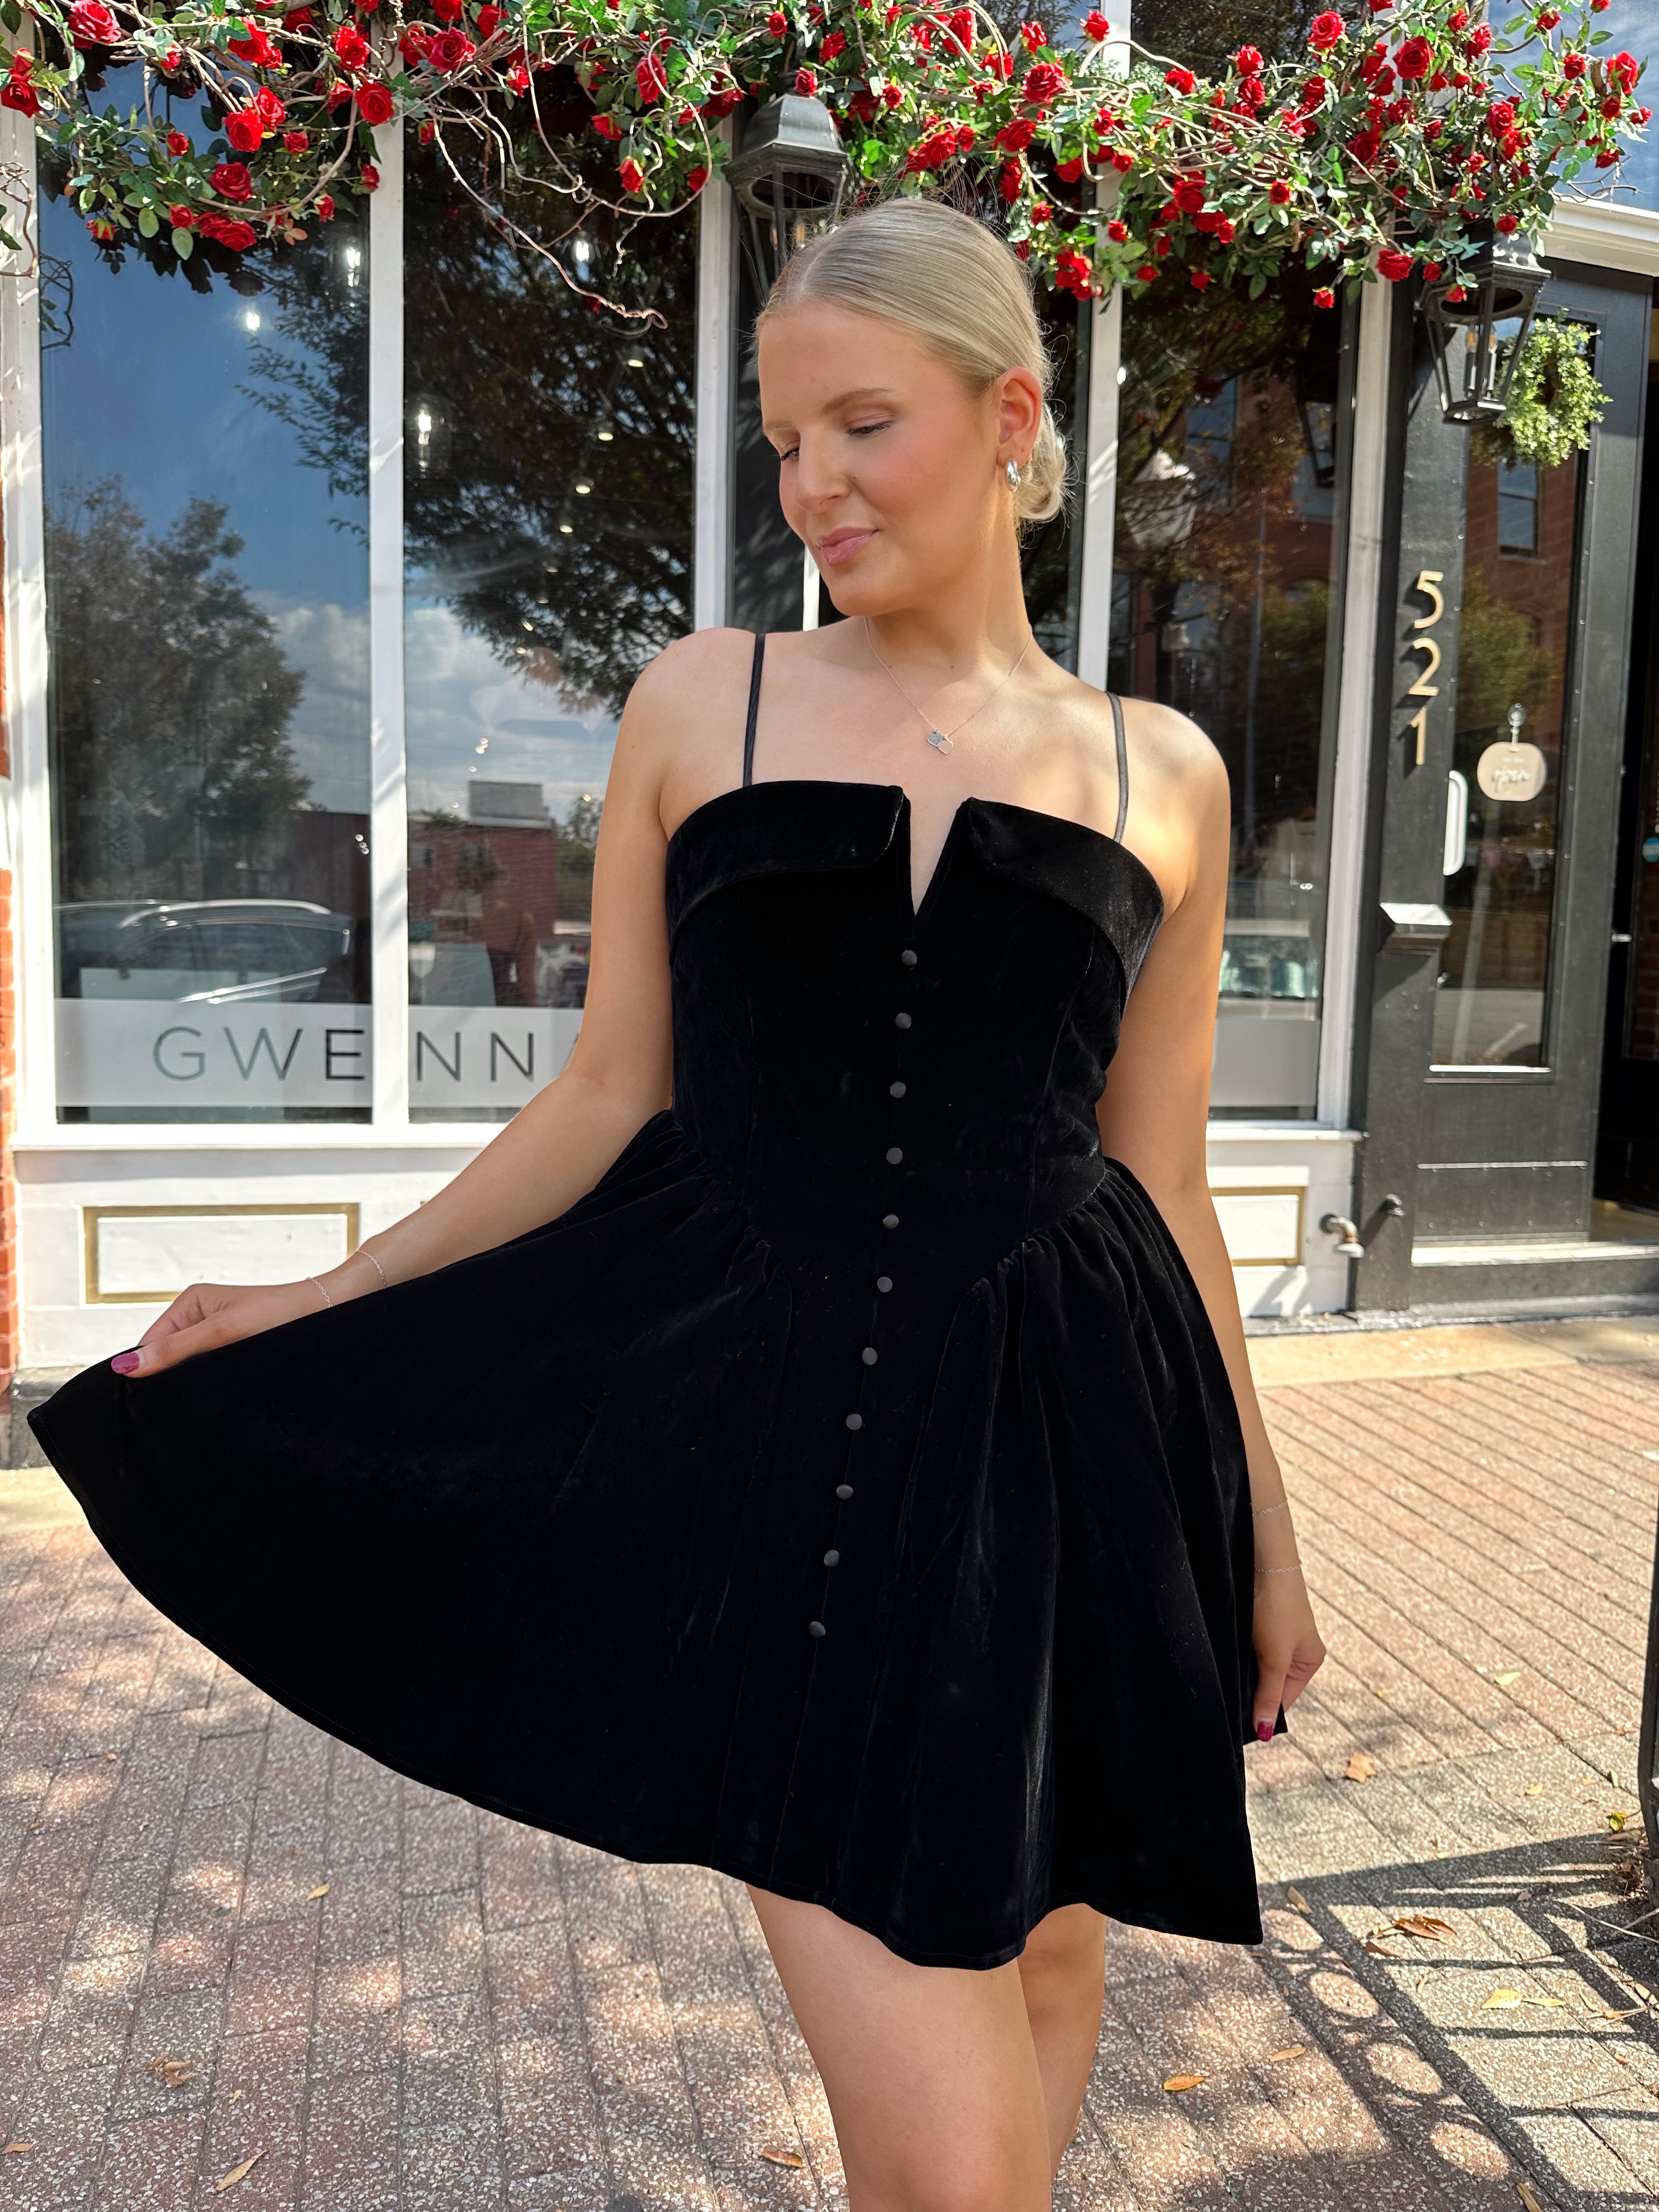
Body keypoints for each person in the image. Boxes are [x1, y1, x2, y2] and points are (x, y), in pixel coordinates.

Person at [32, 199, 1325, 2212]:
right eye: (782, 438)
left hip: (1069, 1461)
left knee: (1057, 1952)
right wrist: (318, 1298)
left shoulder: (1163, 765)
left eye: (861, 426)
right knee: (966, 2167)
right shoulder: (697, 703)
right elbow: (608, 1095)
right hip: (789, 1466)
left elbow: (1163, 1181)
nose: (808, 484)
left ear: (1012, 418)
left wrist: (1265, 1544)